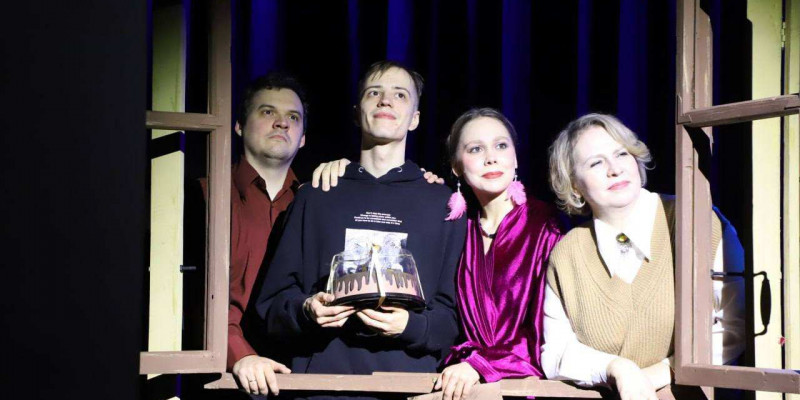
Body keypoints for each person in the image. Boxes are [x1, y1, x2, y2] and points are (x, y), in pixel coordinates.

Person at [255, 61, 467, 400]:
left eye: (400, 95)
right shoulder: (316, 195)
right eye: (374, 92)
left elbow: (456, 317)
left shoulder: (444, 205)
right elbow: (271, 305)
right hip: (322, 390)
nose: (386, 101)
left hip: (411, 390)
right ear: (357, 113)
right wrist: (307, 310)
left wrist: (412, 326)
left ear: (414, 118)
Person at [541, 113, 745, 400]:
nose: (615, 169)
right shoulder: (567, 253)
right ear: (575, 185)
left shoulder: (696, 220)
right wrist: (618, 369)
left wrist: (657, 375)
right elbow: (556, 353)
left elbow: (735, 327)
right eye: (596, 163)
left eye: (621, 154)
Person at [429, 108, 564, 400]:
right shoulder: (457, 230)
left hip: (527, 388)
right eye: (475, 149)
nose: (491, 158)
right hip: (464, 386)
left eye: (501, 146)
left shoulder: (546, 226)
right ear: (456, 167)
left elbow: (546, 333)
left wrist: (481, 364)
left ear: (515, 158)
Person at [197, 72, 307, 397]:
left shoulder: (316, 203)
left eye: (293, 117)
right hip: (222, 377)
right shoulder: (204, 196)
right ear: (239, 126)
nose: (282, 123)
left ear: (303, 138)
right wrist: (239, 354)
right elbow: (190, 294)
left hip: (300, 378)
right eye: (267, 111)